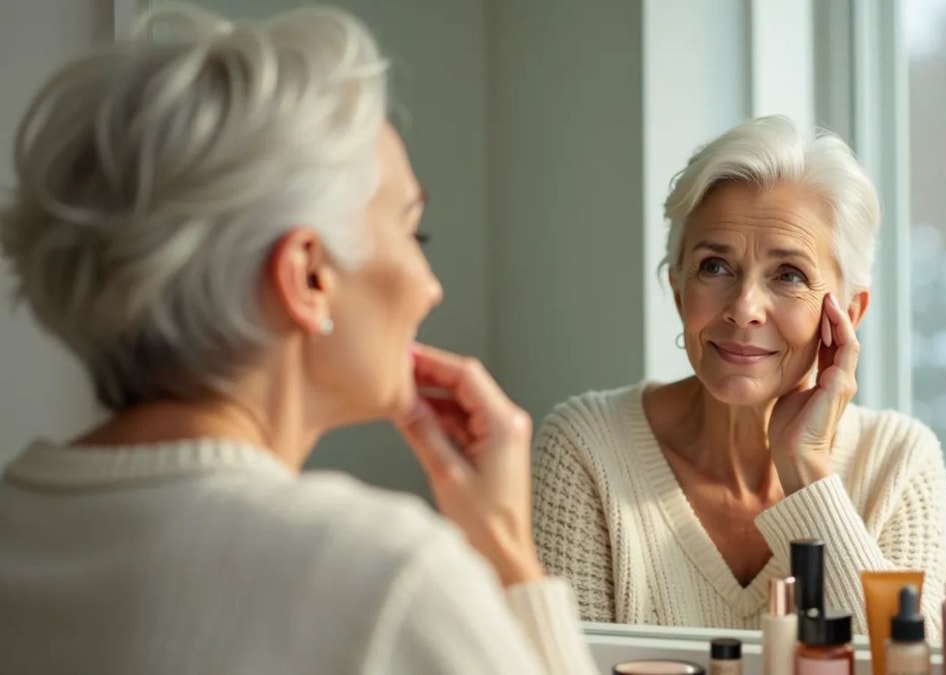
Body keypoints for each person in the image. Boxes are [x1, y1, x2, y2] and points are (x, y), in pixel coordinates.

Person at [0, 5, 597, 674]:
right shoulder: (387, 580)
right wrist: (508, 546)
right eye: (412, 232)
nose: (432, 288)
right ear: (307, 276)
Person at [532, 115, 946, 636]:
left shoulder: (899, 462)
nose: (744, 308)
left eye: (789, 274)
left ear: (849, 312)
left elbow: (908, 667)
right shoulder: (586, 448)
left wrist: (807, 472)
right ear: (679, 288)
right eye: (714, 266)